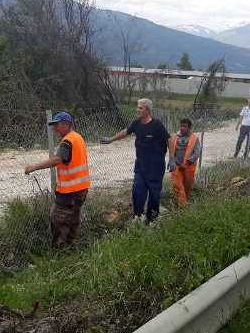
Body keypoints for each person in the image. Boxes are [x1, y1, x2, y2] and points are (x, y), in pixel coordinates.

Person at [24, 111, 91, 248]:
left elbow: (57, 159)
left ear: (66, 125)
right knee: (73, 220)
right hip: (81, 189)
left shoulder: (67, 141)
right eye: (53, 125)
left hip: (69, 191)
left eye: (57, 125)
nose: (54, 128)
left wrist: (33, 167)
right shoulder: (78, 137)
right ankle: (71, 247)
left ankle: (59, 252)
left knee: (57, 219)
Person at [101, 99, 172, 223]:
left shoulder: (157, 125)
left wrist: (173, 158)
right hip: (140, 167)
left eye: (140, 108)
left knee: (154, 196)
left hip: (155, 168)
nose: (137, 110)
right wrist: (111, 139)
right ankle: (138, 217)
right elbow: (125, 132)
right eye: (137, 107)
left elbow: (169, 140)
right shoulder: (136, 123)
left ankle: (152, 220)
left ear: (147, 110)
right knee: (138, 192)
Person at [168, 118, 201, 208]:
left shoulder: (194, 139)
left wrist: (187, 163)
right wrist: (171, 161)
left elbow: (197, 153)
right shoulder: (175, 136)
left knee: (187, 187)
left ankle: (182, 203)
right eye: (181, 126)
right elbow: (171, 150)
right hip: (176, 166)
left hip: (188, 167)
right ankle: (183, 208)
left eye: (184, 126)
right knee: (177, 186)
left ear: (189, 128)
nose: (182, 128)